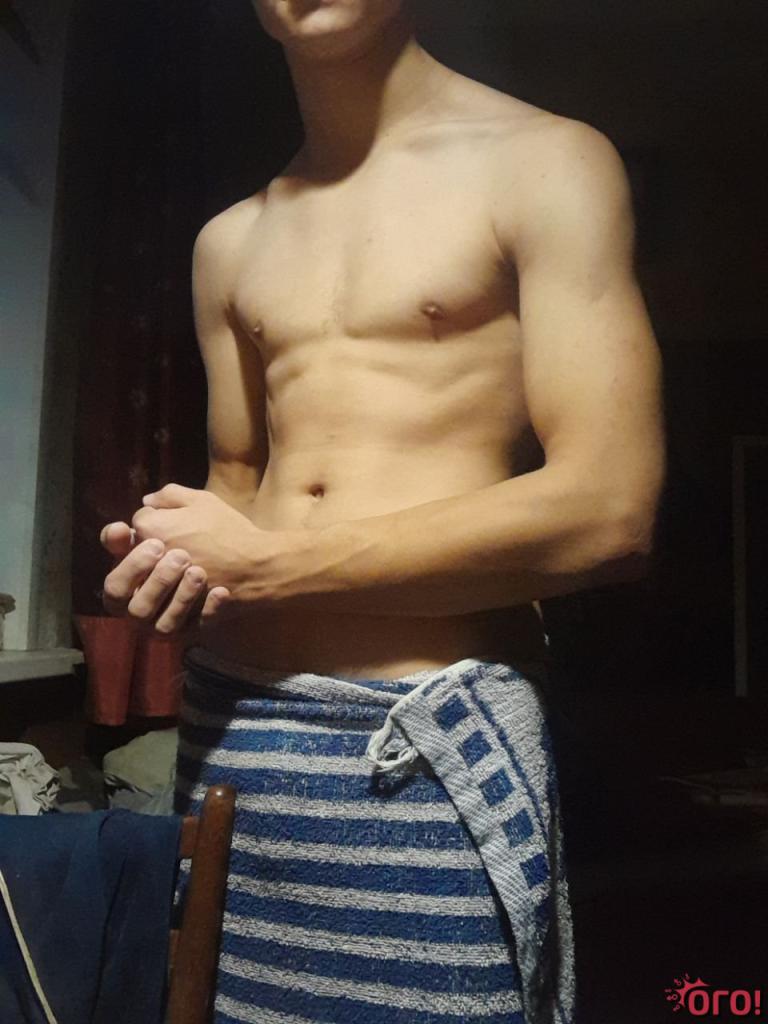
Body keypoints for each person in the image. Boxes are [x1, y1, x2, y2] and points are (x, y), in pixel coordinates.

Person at [100, 2, 665, 1021]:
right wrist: (171, 559)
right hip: (236, 732)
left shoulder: (545, 164)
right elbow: (236, 489)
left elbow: (609, 510)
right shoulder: (230, 238)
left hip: (422, 740)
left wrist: (270, 566)